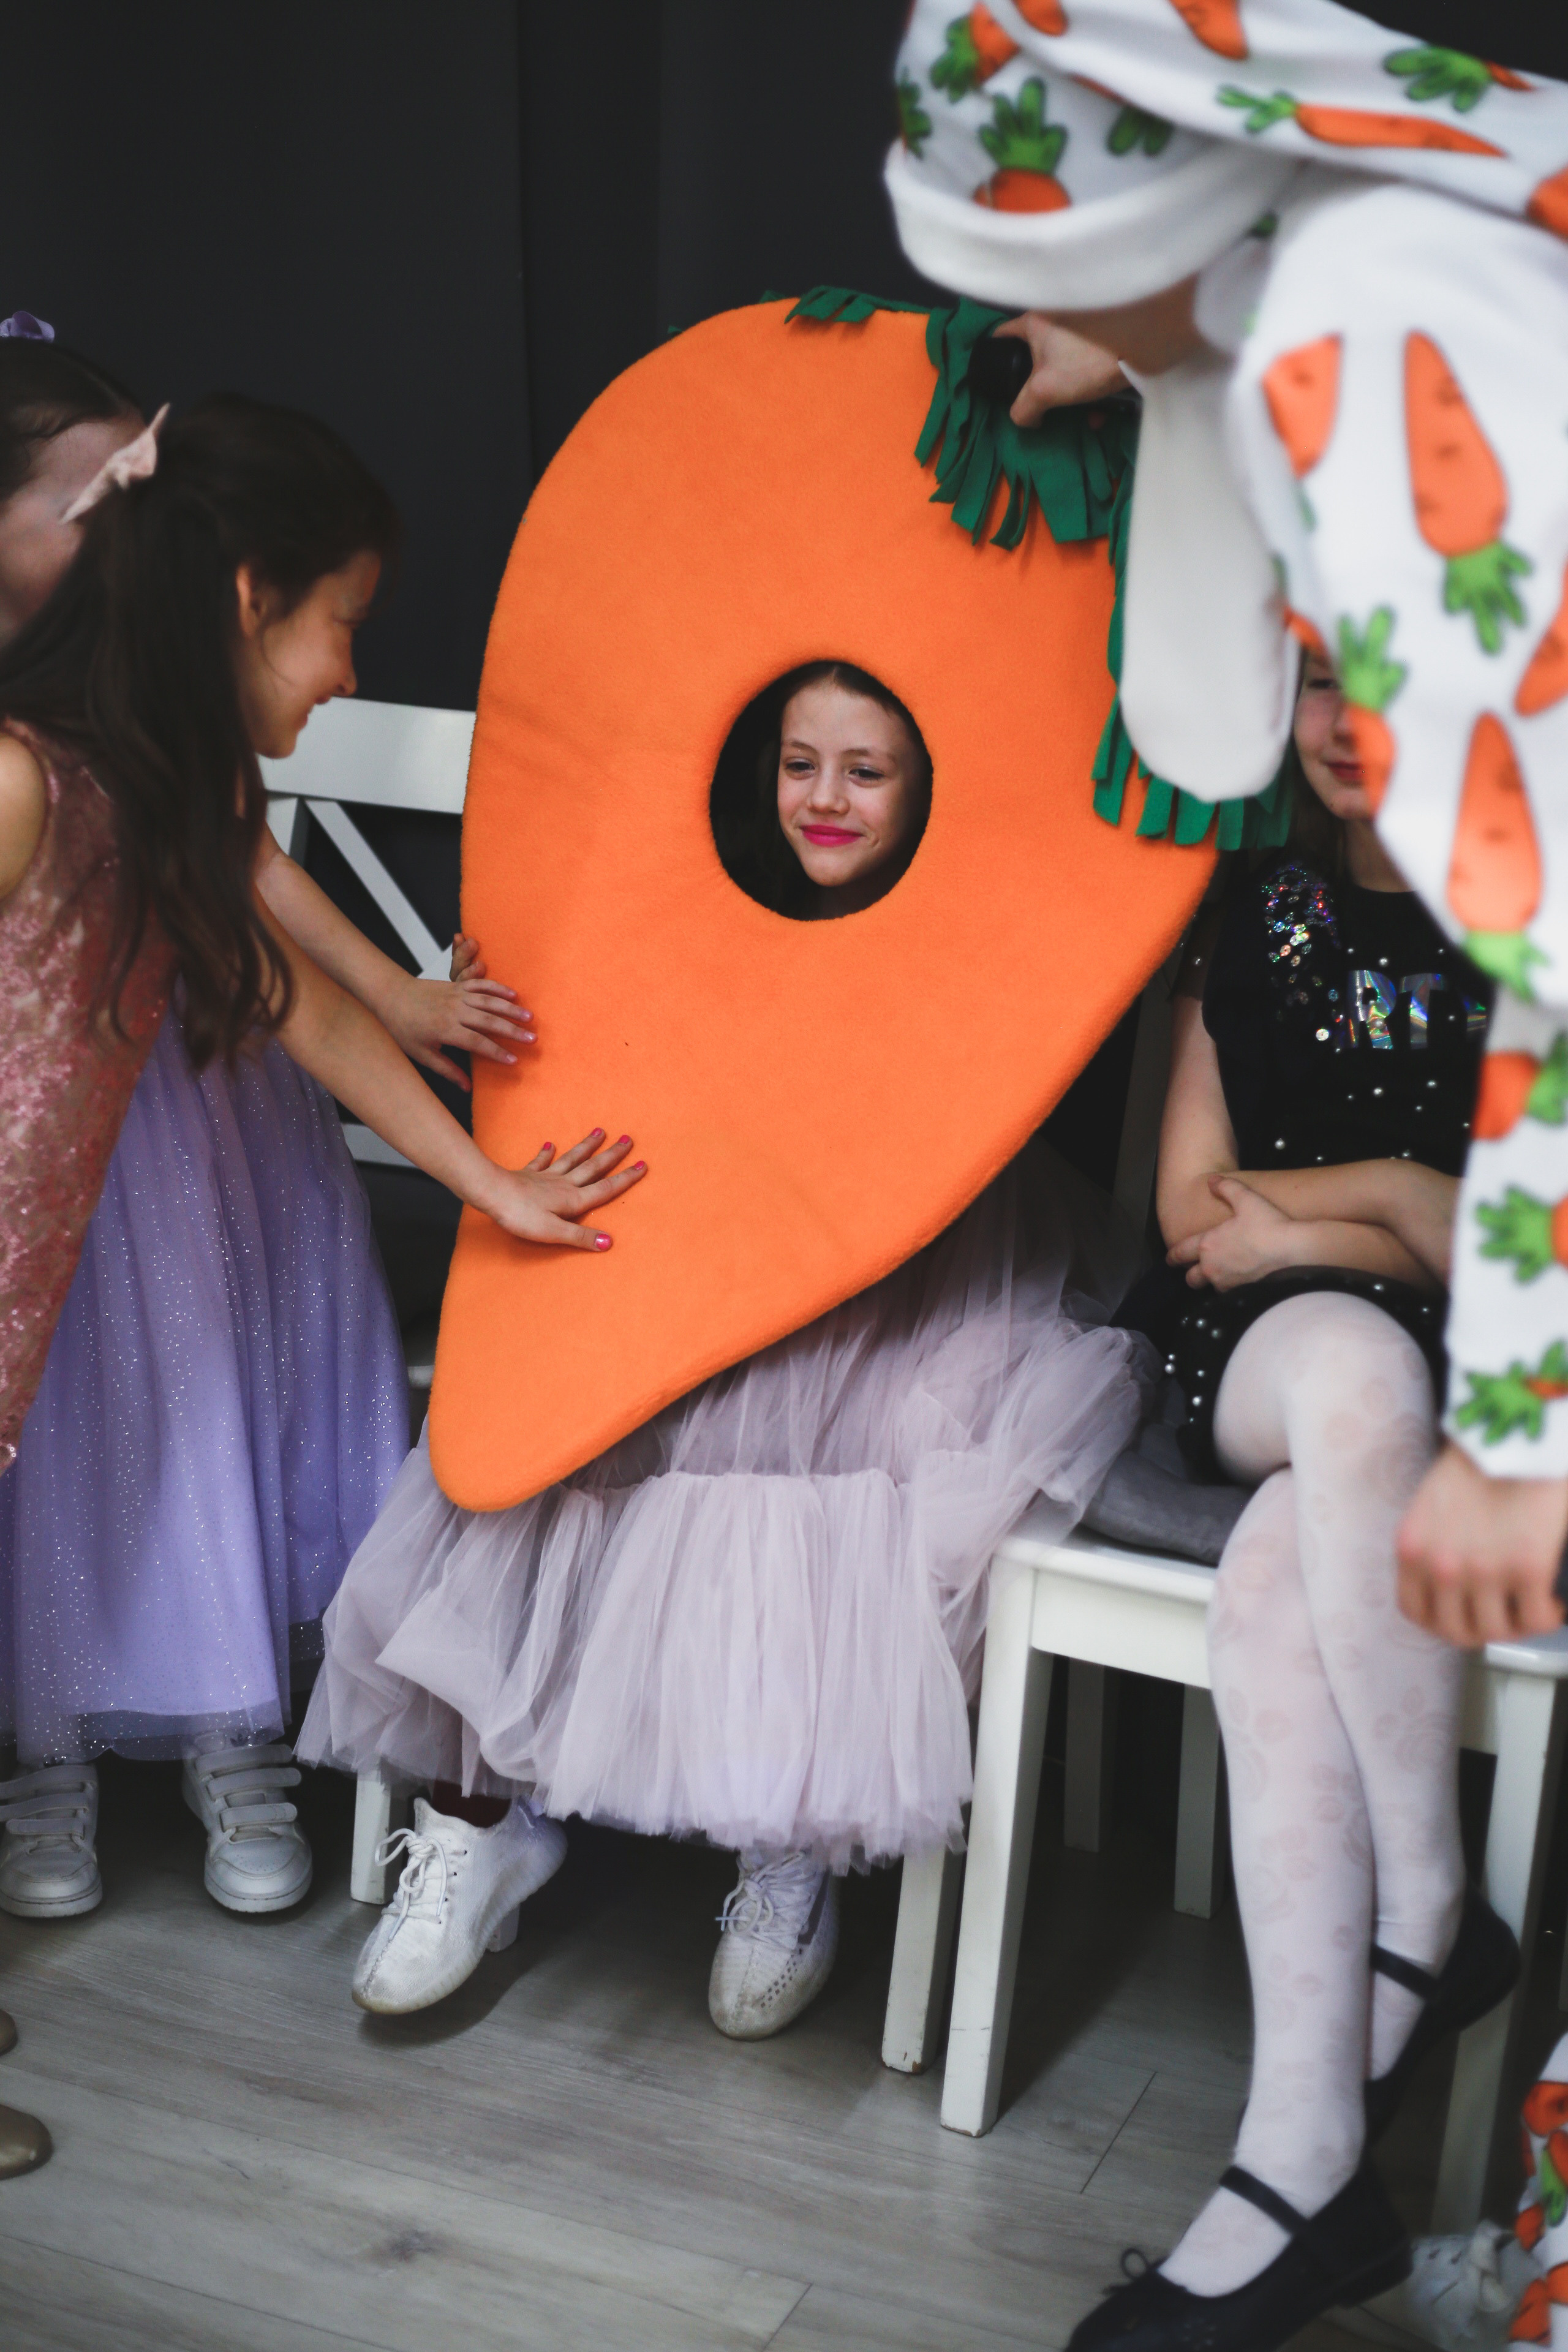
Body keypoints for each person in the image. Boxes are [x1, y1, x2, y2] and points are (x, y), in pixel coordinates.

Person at [298, 657, 1153, 2038]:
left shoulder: (975, 931)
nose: (824, 797)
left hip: (910, 1262)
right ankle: (483, 1820)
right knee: (567, 1409)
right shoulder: (691, 893)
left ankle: (785, 1841)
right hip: (694, 1220)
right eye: (799, 761)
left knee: (845, 1425)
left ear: (924, 785)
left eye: (864, 771)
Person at [0, 385, 647, 2173]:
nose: (352, 668)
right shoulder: (25, 780)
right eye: (340, 618)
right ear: (239, 602)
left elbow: (293, 1004)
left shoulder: (151, 799)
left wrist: (487, 1185)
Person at [884, 0, 1568, 1689]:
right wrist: (1122, 351)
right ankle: (1419, 1948)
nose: (1010, 321)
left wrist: (1515, 1429)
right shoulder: (1334, 271)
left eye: (1029, 271)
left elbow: (1541, 920)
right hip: (1366, 1292)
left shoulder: (1414, 355)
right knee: (1286, 1568)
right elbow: (1253, 282)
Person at [1060, 647, 1515, 2350]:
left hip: (1471, 1379)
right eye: (1318, 676)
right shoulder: (1253, 911)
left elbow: (1523, 1244)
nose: (1341, 717)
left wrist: (1367, 1199)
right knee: (1348, 1376)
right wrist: (1395, 1221)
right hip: (1267, 1360)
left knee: (1272, 1600)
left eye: (1386, 671)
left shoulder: (1530, 927)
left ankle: (1302, 2171)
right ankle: (1433, 1904)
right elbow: (1192, 1209)